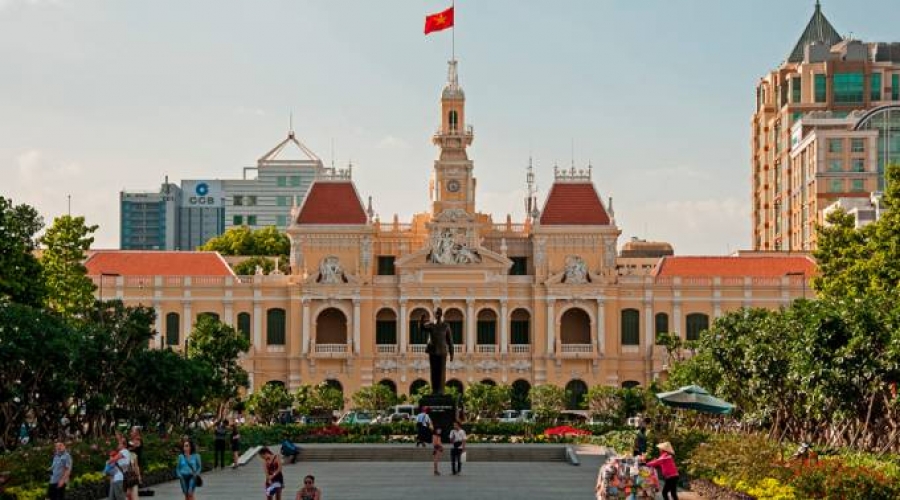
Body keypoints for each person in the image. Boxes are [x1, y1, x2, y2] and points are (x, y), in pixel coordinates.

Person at [418, 308, 454, 394]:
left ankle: (441, 391)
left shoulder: (446, 326)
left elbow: (450, 340)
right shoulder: (431, 325)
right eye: (436, 313)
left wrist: (452, 352)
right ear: (434, 314)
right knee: (433, 372)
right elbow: (422, 328)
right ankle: (434, 390)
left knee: (442, 372)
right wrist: (421, 320)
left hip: (442, 351)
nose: (438, 315)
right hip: (433, 350)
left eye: (439, 313)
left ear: (441, 314)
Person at [128, 427, 144, 496]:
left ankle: (137, 483)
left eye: (132, 431)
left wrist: (127, 447)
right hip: (132, 460)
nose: (131, 432)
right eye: (131, 431)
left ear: (137, 432)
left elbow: (134, 447)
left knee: (135, 472)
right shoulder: (132, 440)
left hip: (135, 460)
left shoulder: (138, 440)